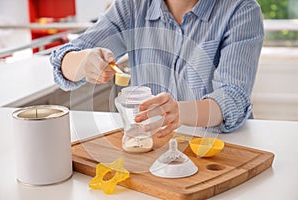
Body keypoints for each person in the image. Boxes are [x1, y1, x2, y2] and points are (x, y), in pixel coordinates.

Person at [50, 0, 264, 137]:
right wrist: (84, 61)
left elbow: (233, 98)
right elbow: (63, 62)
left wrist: (178, 112)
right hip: (152, 144)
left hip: (219, 147)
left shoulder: (241, 10)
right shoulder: (132, 6)